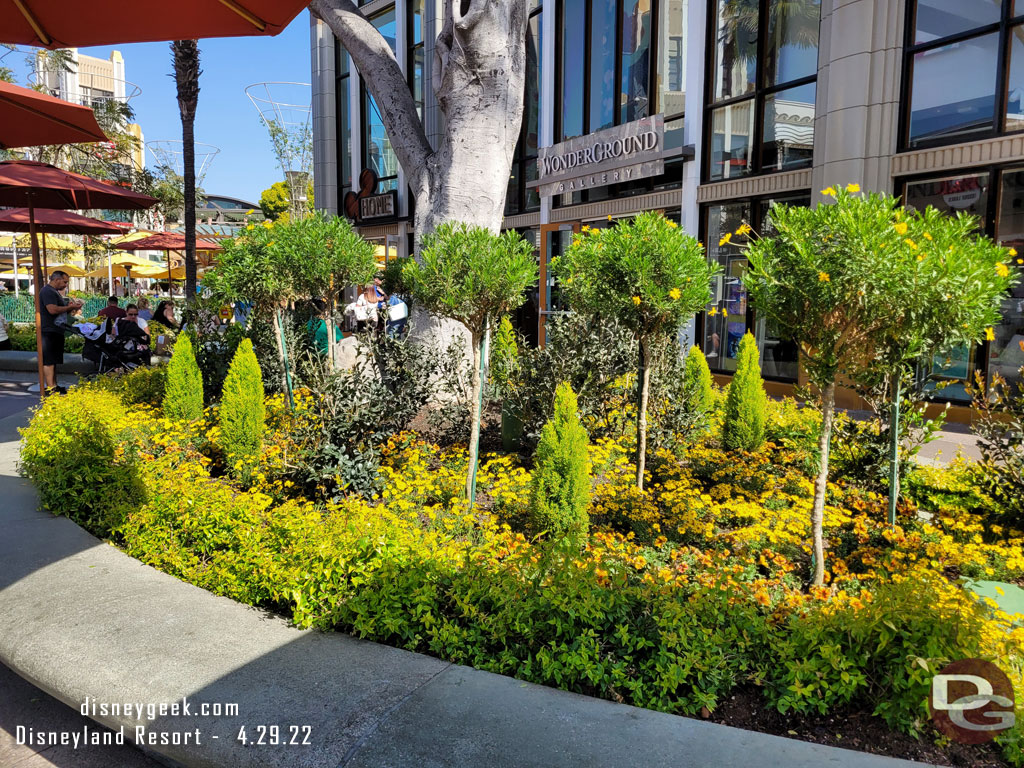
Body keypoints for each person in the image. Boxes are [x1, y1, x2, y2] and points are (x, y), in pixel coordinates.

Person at [39, 270, 83, 394]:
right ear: (56, 279)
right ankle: (50, 388)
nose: (66, 285)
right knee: (49, 360)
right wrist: (70, 307)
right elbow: (52, 310)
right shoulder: (47, 291)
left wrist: (69, 308)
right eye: (65, 282)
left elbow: (59, 310)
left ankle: (54, 385)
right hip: (49, 329)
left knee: (54, 359)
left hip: (56, 329)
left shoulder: (54, 292)